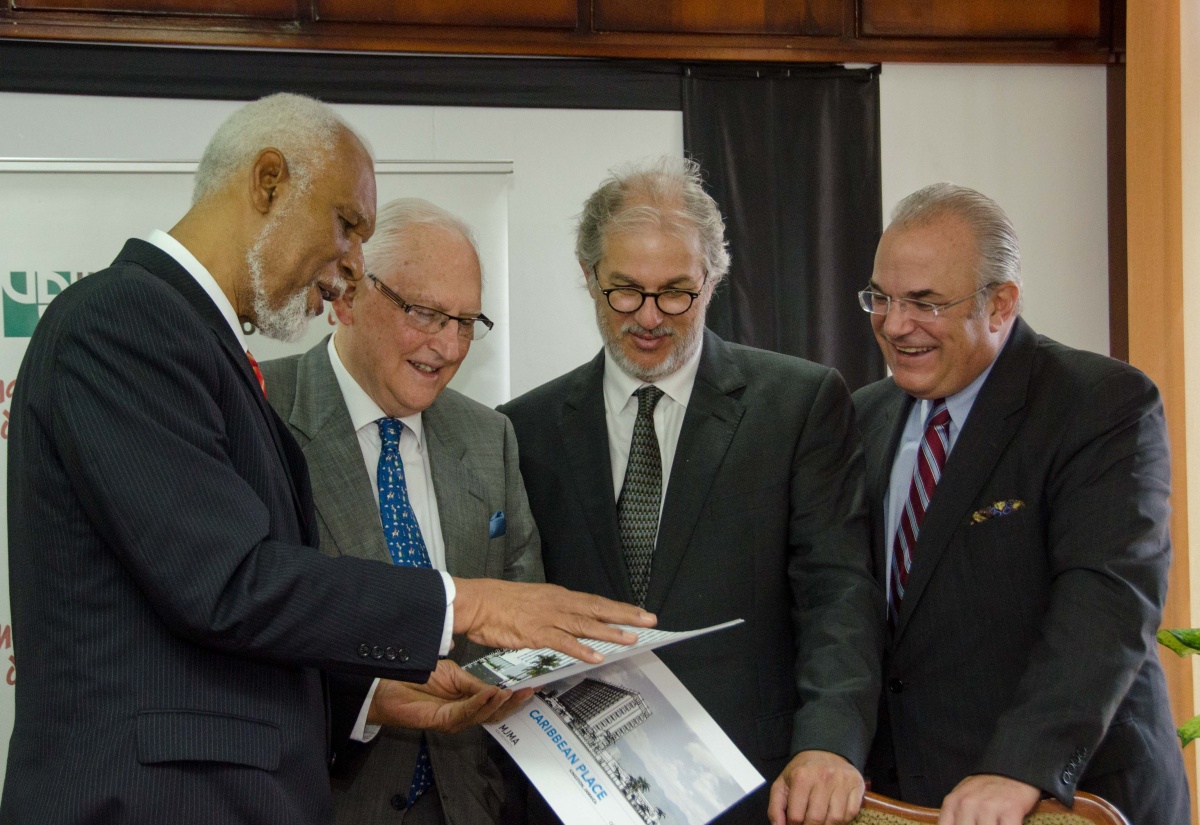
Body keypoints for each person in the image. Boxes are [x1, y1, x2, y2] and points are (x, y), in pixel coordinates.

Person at [1, 93, 654, 825]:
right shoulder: (123, 320)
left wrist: (364, 694)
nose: (349, 265)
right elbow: (227, 582)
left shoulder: (196, 342)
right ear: (268, 181)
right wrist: (468, 601)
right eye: (346, 225)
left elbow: (217, 624)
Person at [499, 156, 883, 825]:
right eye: (625, 290)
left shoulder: (798, 404)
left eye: (676, 290)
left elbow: (839, 594)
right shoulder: (522, 428)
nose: (650, 317)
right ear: (588, 277)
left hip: (750, 791)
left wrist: (830, 739)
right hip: (573, 792)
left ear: (713, 280)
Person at [853, 182, 1189, 825]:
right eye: (882, 297)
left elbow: (1108, 601)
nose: (895, 325)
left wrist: (1020, 763)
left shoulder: (1100, 403)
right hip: (909, 797)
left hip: (1061, 797)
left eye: (924, 302)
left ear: (1001, 304)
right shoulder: (863, 416)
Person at [261, 197, 543, 825]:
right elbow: (241, 625)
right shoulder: (260, 413)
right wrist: (367, 700)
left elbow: (521, 610)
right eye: (425, 313)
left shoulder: (489, 437)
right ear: (349, 294)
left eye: (467, 321)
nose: (448, 345)